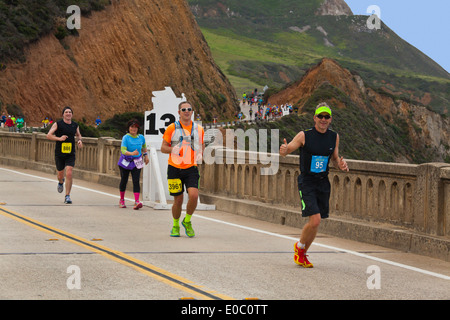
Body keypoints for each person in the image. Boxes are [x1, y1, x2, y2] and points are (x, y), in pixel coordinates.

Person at [279, 102, 349, 268]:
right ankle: (301, 250)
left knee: (316, 221)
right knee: (315, 220)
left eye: (326, 117)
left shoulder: (334, 137)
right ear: (314, 118)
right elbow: (288, 150)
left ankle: (301, 250)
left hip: (323, 183)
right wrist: (284, 150)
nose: (323, 120)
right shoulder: (304, 135)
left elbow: (334, 159)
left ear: (330, 119)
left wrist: (340, 164)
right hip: (307, 182)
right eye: (320, 116)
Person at [161, 101, 205, 238]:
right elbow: (163, 148)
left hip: (191, 167)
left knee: (194, 196)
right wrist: (172, 149)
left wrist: (200, 154)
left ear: (192, 112)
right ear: (179, 112)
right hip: (174, 168)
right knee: (178, 200)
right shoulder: (171, 128)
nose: (186, 111)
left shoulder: (199, 129)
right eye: (183, 109)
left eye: (189, 109)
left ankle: (187, 221)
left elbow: (201, 144)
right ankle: (175, 225)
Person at [46, 106, 83, 204]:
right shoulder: (58, 124)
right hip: (59, 153)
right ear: (63, 114)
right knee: (60, 175)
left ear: (72, 114)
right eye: (66, 112)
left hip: (71, 153)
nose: (68, 113)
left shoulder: (75, 125)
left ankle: (67, 196)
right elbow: (48, 135)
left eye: (70, 112)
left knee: (69, 173)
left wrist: (79, 141)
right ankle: (60, 182)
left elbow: (78, 135)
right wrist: (59, 138)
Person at [117, 119, 149, 209]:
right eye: (132, 127)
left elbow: (144, 147)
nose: (134, 129)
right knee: (124, 180)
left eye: (136, 127)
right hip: (126, 161)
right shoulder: (126, 137)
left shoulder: (141, 137)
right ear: (128, 128)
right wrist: (131, 154)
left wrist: (146, 156)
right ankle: (122, 200)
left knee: (136, 180)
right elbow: (123, 150)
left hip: (137, 162)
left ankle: (137, 201)